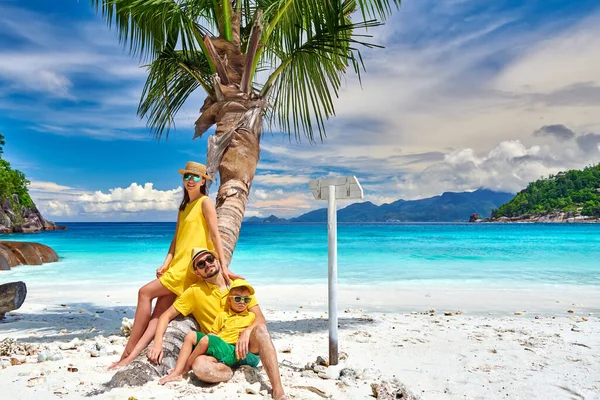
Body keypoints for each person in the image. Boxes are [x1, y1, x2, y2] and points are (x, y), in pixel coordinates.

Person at [109, 161, 241, 370]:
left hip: (188, 269)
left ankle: (128, 351)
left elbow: (216, 235)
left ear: (203, 181)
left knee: (144, 293)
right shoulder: (184, 207)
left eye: (195, 177)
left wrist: (223, 267)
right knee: (159, 314)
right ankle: (131, 356)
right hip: (176, 266)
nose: (190, 180)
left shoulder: (205, 202)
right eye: (187, 176)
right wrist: (165, 264)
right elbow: (176, 239)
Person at [148, 248, 287, 400]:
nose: (207, 264)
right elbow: (165, 316)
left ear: (218, 260)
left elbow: (260, 319)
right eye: (201, 264)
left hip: (248, 348)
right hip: (219, 351)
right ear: (197, 272)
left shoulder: (239, 286)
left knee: (260, 330)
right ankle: (231, 370)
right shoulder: (194, 292)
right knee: (200, 367)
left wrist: (247, 332)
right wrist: (158, 342)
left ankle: (278, 390)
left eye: (210, 259)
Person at [159, 278, 258, 385]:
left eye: (246, 300)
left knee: (206, 340)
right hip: (221, 344)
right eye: (238, 299)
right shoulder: (222, 316)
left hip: (234, 348)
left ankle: (183, 371)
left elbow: (259, 328)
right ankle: (178, 368)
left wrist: (247, 332)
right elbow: (214, 332)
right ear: (229, 300)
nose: (242, 302)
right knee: (191, 336)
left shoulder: (251, 316)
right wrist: (211, 339)